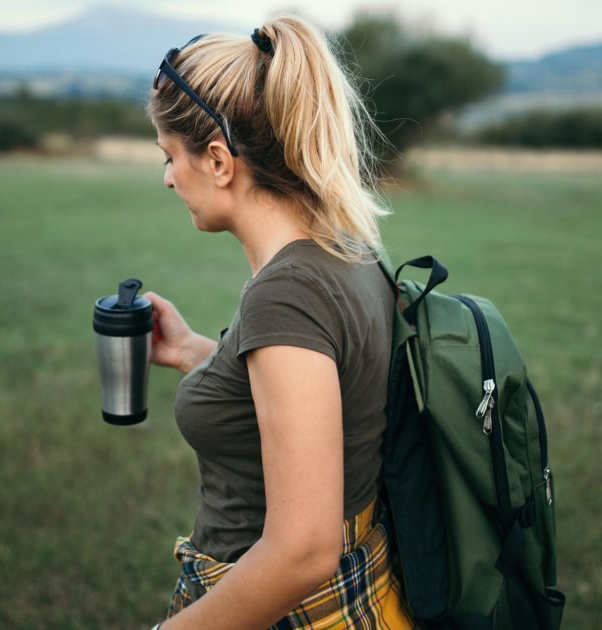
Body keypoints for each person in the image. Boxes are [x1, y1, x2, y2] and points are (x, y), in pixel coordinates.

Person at [141, 15, 417, 630]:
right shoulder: (350, 250)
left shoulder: (287, 296)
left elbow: (302, 551)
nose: (166, 177)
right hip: (365, 597)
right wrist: (193, 351)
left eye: (169, 156)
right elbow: (329, 398)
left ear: (218, 159)